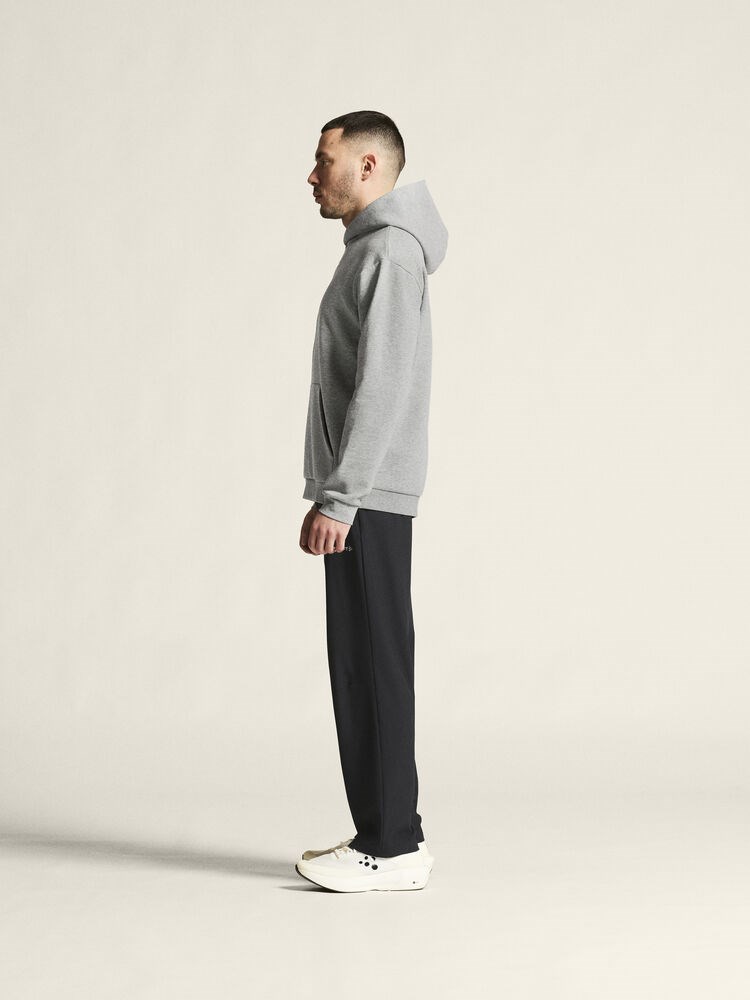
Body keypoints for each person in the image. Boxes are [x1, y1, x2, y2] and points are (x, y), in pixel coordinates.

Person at [295, 110, 448, 893]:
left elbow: (381, 388)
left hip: (369, 496)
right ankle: (381, 834)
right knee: (359, 662)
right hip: (363, 494)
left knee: (375, 662)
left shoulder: (390, 251)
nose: (311, 175)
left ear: (367, 167)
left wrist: (341, 498)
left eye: (324, 160)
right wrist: (335, 493)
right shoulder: (374, 250)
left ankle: (393, 847)